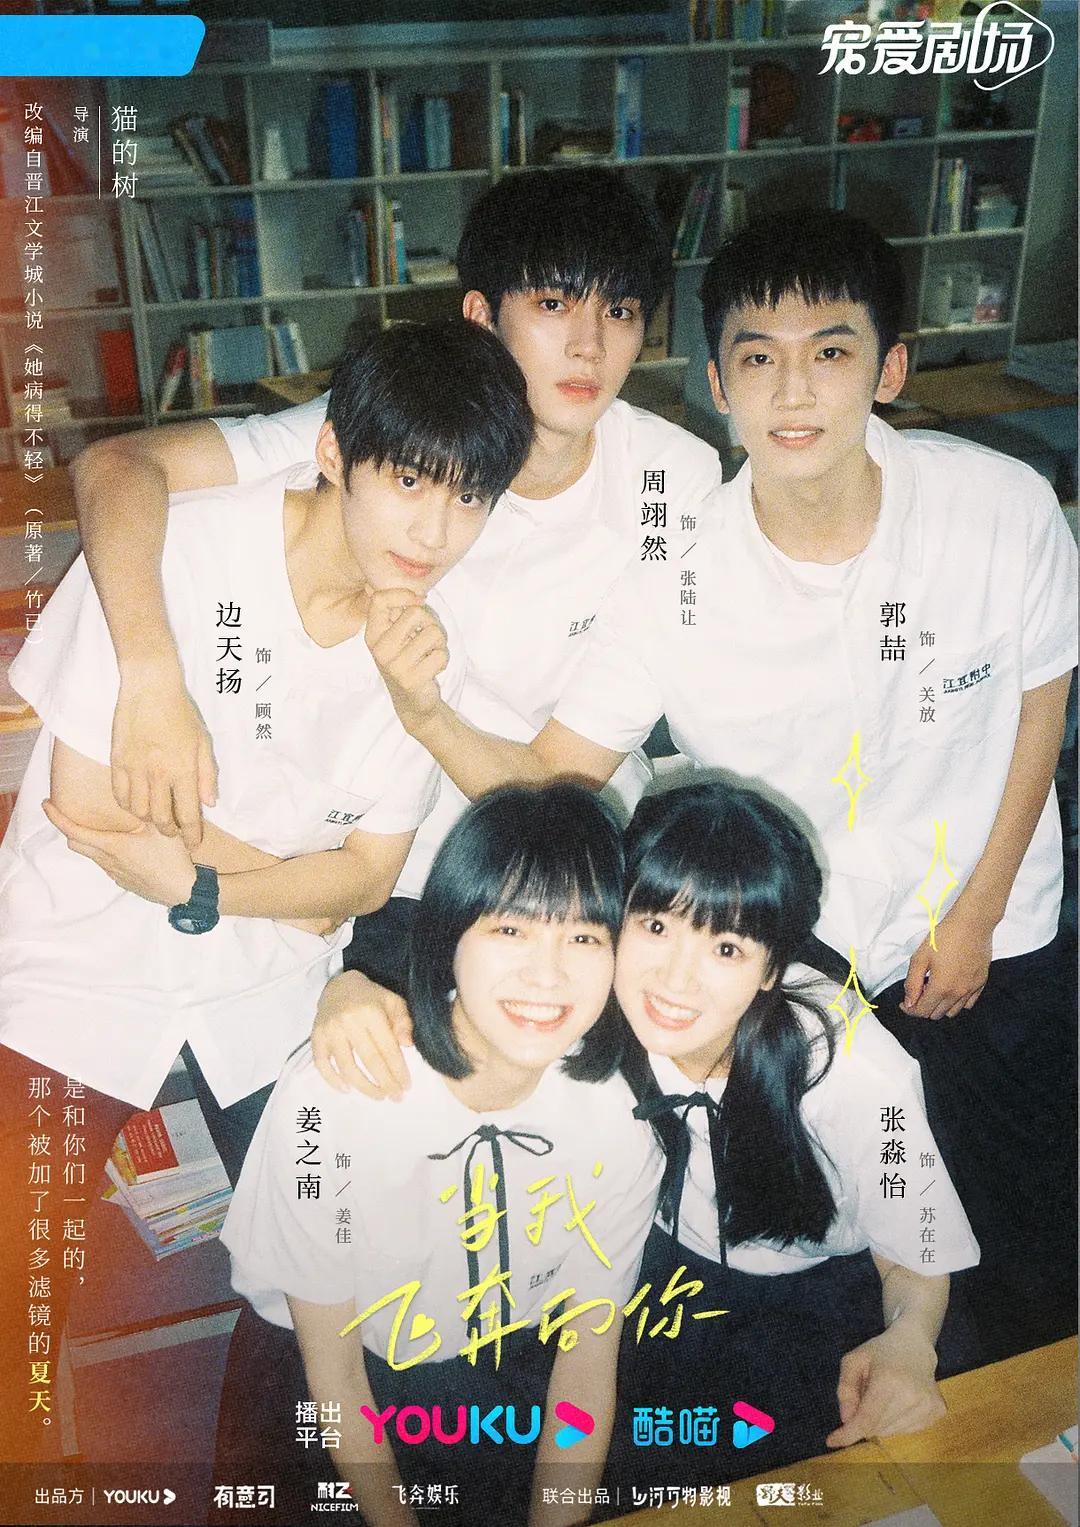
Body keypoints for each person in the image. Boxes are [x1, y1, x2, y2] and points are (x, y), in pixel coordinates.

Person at [363, 209, 1077, 1360]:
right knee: (836, 1245)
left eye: (831, 352)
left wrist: (980, 909)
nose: (794, 392)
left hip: (996, 927)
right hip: (798, 961)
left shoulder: (1001, 506)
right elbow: (554, 779)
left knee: (1027, 1239)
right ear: (717, 383)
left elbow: (1044, 693)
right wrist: (428, 714)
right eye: (758, 358)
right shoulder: (673, 573)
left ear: (889, 368)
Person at [0, 318, 532, 1464]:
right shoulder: (181, 552)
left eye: (469, 499)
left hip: (264, 995)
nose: (434, 532)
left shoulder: (416, 646)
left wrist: (205, 882)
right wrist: (294, 889)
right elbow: (88, 807)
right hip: (75, 976)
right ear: (333, 453)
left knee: (350, 1265)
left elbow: (369, 878)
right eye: (408, 482)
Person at [69, 167, 722, 991]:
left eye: (620, 311)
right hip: (385, 870)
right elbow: (118, 469)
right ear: (481, 315)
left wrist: (426, 715)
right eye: (554, 304)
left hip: (565, 867)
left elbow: (558, 787)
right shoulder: (401, 423)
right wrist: (151, 677)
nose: (589, 345)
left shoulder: (670, 479)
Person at [308, 776, 980, 1489]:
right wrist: (349, 987)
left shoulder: (852, 1070)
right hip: (658, 1284)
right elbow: (470, 971)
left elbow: (917, 1252)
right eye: (656, 927)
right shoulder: (592, 998)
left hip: (829, 1306)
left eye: (726, 948)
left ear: (772, 969)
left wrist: (909, 1339)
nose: (676, 980)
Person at [217, 784, 664, 1527]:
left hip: (507, 1380)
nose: (547, 975)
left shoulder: (617, 1118)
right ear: (451, 938)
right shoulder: (335, 1100)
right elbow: (336, 1376)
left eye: (584, 937)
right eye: (511, 930)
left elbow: (587, 1362)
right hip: (333, 1392)